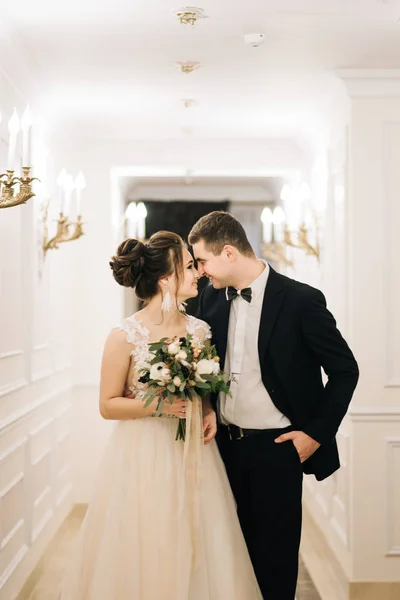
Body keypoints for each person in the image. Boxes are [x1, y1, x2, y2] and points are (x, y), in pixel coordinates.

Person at [60, 231, 262, 600]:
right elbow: (107, 405)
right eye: (188, 266)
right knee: (148, 535)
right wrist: (160, 405)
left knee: (199, 532)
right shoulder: (125, 335)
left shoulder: (200, 331)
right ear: (166, 278)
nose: (198, 273)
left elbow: (203, 389)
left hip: (195, 454)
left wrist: (208, 410)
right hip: (142, 454)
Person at [188, 211, 359, 600]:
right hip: (220, 448)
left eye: (202, 261)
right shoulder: (207, 299)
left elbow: (346, 371)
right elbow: (201, 366)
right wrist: (209, 408)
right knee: (225, 556)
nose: (199, 271)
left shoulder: (301, 300)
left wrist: (315, 434)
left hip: (279, 450)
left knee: (275, 562)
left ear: (229, 252)